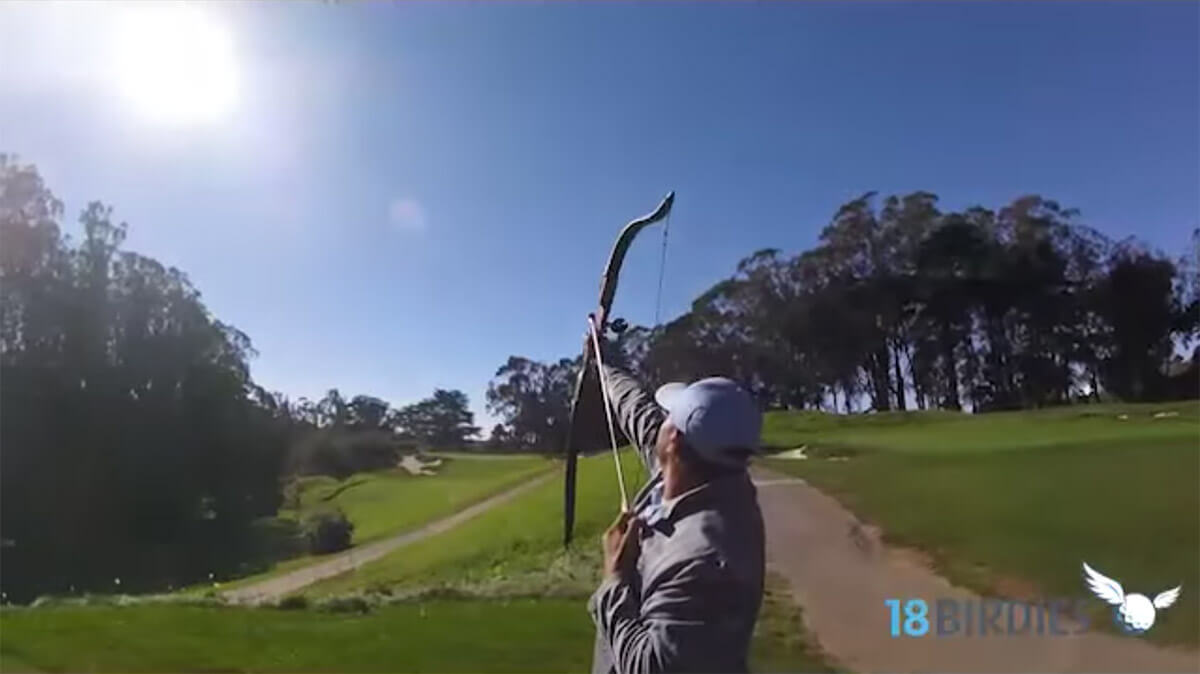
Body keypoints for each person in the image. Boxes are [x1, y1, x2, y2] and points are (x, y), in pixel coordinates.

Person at [587, 360, 766, 674]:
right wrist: (602, 367)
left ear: (674, 439)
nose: (659, 421)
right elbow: (635, 408)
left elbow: (651, 667)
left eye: (667, 416)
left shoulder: (706, 561)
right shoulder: (707, 474)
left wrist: (614, 579)